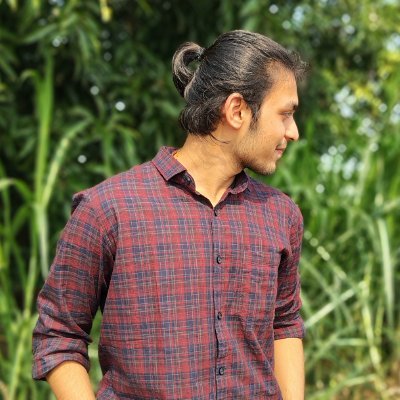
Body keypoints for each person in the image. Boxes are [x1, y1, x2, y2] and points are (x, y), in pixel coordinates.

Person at [32, 30, 308, 399]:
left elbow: (284, 325)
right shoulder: (109, 209)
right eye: (285, 114)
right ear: (237, 110)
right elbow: (58, 334)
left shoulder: (280, 215)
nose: (293, 132)